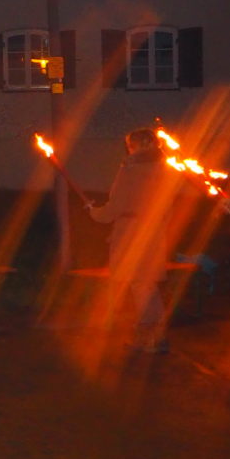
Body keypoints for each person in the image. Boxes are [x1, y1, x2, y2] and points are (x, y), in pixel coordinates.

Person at [85, 129, 192, 353]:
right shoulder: (165, 169)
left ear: (134, 146)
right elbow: (168, 207)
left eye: (129, 145)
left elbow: (115, 207)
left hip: (132, 234)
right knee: (147, 284)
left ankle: (150, 339)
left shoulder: (130, 170)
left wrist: (94, 212)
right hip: (153, 233)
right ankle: (154, 337)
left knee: (141, 286)